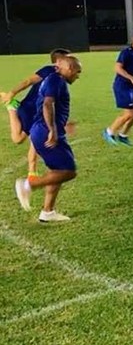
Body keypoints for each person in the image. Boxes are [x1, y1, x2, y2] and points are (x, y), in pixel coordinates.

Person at [14, 56, 82, 222]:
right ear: (70, 69)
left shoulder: (55, 80)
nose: (78, 76)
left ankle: (47, 212)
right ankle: (28, 185)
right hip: (45, 130)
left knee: (57, 171)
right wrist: (52, 129)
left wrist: (62, 125)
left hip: (44, 129)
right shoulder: (56, 80)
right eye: (77, 72)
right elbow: (47, 104)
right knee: (68, 171)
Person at [1, 48, 70, 181]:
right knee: (18, 139)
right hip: (30, 108)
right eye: (68, 59)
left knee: (37, 139)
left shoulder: (63, 77)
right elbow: (28, 82)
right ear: (59, 62)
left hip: (43, 112)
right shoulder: (47, 71)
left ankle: (32, 172)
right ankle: (12, 108)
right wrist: (12, 93)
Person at [104, 30, 133, 146]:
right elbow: (118, 68)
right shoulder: (126, 52)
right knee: (129, 114)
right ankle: (109, 132)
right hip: (122, 86)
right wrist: (132, 78)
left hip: (131, 86)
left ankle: (123, 135)